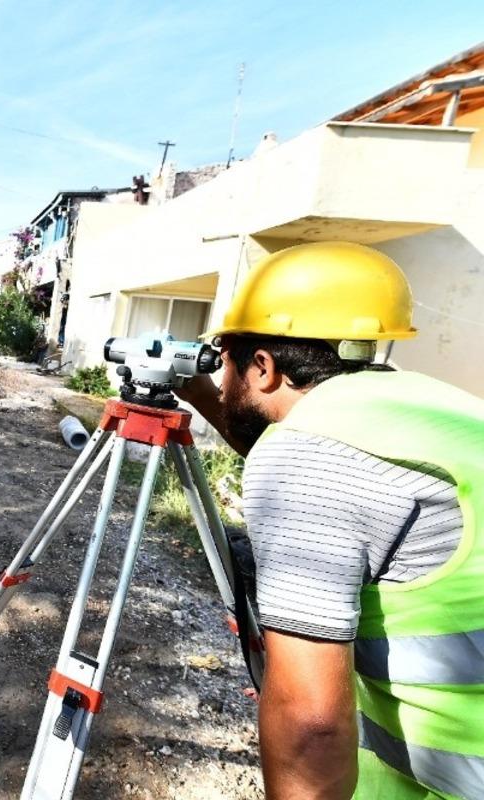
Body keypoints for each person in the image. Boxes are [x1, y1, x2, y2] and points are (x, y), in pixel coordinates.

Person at [177, 241, 484, 799]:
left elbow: (312, 725)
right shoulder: (435, 408)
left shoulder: (308, 455)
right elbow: (342, 489)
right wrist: (204, 398)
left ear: (263, 366)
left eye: (223, 363)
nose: (219, 382)